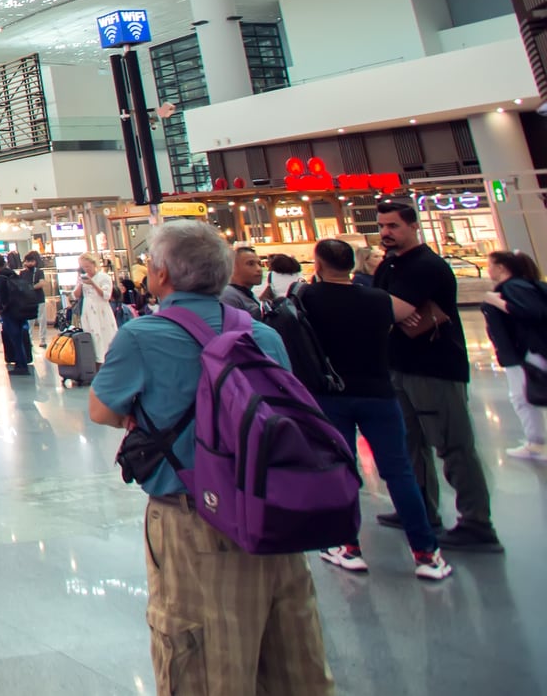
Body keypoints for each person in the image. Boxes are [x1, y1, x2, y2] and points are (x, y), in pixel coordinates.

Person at [86, 220, 332, 694]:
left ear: (161, 275)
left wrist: (136, 418)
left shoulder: (144, 335)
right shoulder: (262, 334)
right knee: (294, 659)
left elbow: (102, 409)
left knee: (199, 659)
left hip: (194, 518)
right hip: (274, 511)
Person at [302, 237, 452, 581]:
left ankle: (347, 546)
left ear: (318, 264)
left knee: (338, 471)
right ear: (353, 265)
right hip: (379, 393)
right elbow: (408, 314)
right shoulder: (376, 299)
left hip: (331, 396)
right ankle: (426, 553)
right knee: (399, 472)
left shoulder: (308, 297)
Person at [371, 197, 501, 552]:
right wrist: (388, 308)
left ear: (413, 226)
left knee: (453, 444)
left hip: (434, 368)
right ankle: (422, 509)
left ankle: (477, 521)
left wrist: (388, 308)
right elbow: (383, 306)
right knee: (410, 443)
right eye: (382, 226)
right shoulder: (391, 266)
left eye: (393, 226)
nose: (386, 233)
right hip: (399, 365)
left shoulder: (426, 266)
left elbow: (387, 308)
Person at [484, 250, 547, 461]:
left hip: (525, 351)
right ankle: (535, 441)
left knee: (523, 396)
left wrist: (496, 302)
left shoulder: (513, 288)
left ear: (501, 267)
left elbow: (532, 312)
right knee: (525, 395)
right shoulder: (523, 285)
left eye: (490, 265)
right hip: (525, 351)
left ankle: (536, 443)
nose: (488, 269)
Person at [0, 255, 32, 374]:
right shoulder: (14, 274)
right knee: (20, 337)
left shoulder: (0, 277)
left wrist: (1, 307)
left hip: (9, 311)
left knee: (15, 338)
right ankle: (23, 361)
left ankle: (20, 365)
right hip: (20, 309)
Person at [77, 253, 118, 361]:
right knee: (92, 336)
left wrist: (93, 284)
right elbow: (75, 295)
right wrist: (80, 284)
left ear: (94, 264)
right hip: (88, 310)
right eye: (83, 267)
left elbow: (106, 295)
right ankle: (94, 361)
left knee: (105, 336)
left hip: (101, 310)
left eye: (88, 266)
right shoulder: (83, 278)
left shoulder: (104, 277)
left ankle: (108, 359)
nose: (86, 269)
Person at [221, 245, 266, 319]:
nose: (259, 269)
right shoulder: (228, 296)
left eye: (259, 264)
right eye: (250, 264)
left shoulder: (245, 293)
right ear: (232, 268)